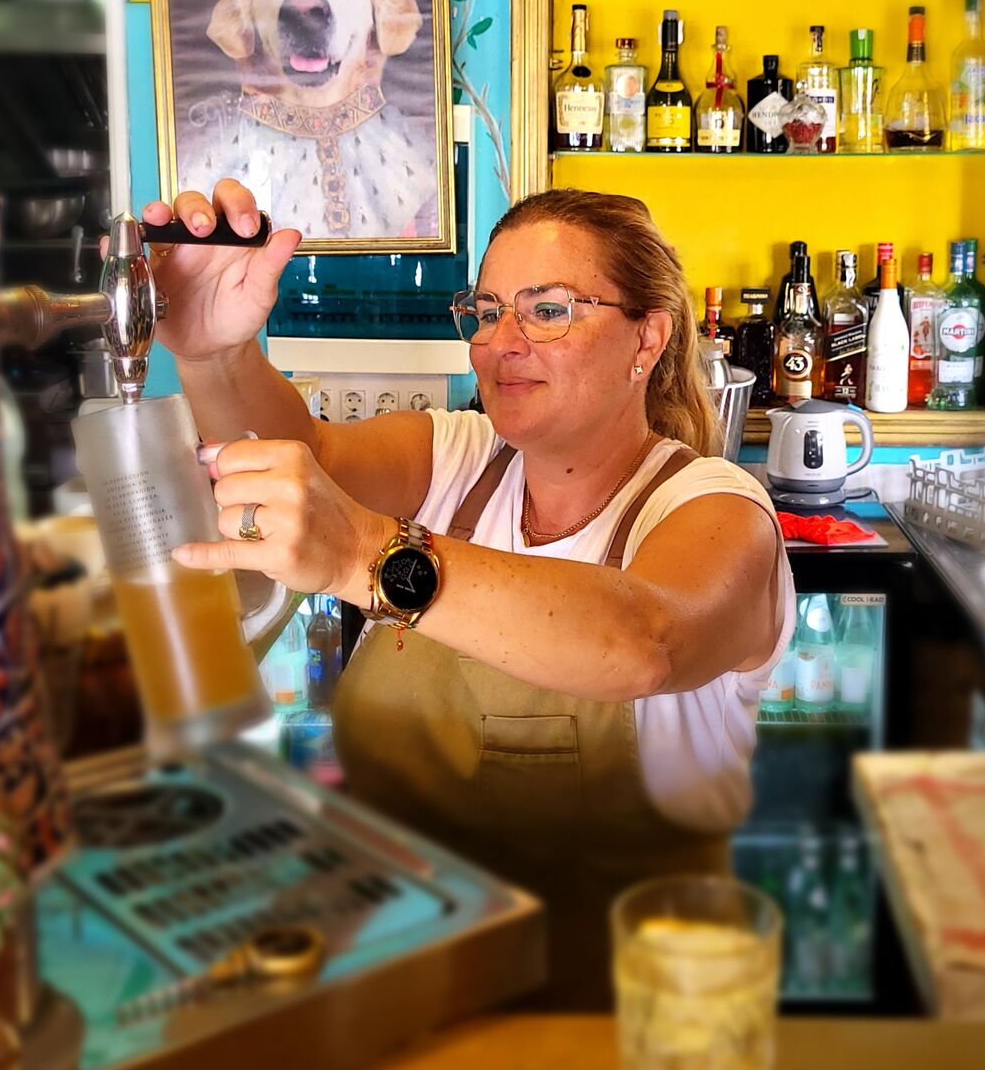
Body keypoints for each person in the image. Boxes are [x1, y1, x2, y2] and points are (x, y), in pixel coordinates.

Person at [150, 177, 795, 1008]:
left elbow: (644, 640)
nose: (502, 341)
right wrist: (215, 353)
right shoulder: (459, 460)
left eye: (548, 309)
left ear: (648, 340)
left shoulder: (715, 509)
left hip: (614, 1014)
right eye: (487, 312)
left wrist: (368, 555)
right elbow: (301, 453)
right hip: (408, 977)